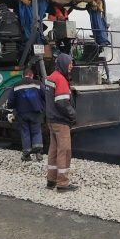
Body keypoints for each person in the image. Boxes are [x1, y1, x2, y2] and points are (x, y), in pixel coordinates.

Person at [44, 53, 78, 192]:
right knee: (64, 151)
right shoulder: (61, 79)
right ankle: (63, 183)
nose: (71, 66)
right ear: (64, 63)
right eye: (70, 63)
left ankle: (51, 180)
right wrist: (73, 116)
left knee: (53, 150)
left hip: (51, 120)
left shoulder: (50, 77)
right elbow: (63, 103)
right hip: (61, 121)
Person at [7, 67, 45, 161]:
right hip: (35, 112)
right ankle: (38, 153)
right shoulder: (37, 84)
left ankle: (26, 155)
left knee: (25, 132)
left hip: (22, 113)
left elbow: (11, 101)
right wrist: (43, 106)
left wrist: (12, 108)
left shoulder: (16, 85)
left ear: (23, 76)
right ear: (32, 75)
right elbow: (45, 95)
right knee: (36, 131)